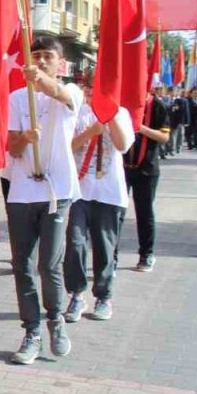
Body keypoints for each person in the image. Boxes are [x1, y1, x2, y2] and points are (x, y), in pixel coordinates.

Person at [5, 37, 82, 365]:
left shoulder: (71, 93)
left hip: (57, 192)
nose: (40, 60)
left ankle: (56, 320)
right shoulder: (17, 98)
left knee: (49, 263)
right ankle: (32, 330)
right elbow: (11, 147)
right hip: (22, 191)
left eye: (47, 56)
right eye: (35, 56)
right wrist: (25, 138)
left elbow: (60, 93)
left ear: (60, 64)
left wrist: (41, 79)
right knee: (22, 264)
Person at [65, 81, 134, 324]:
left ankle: (104, 296)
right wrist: (88, 133)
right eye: (89, 88)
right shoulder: (76, 113)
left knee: (104, 248)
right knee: (75, 243)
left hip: (109, 193)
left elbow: (123, 145)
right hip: (79, 191)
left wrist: (110, 117)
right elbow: (67, 148)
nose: (92, 93)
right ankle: (76, 294)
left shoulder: (121, 113)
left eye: (98, 89)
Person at [124, 90, 170, 273]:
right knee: (116, 214)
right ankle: (111, 255)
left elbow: (164, 136)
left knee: (144, 214)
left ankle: (146, 254)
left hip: (147, 169)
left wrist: (140, 128)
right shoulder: (124, 102)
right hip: (123, 167)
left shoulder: (156, 105)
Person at [166, 86, 187, 156]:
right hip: (168, 121)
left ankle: (173, 149)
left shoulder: (179, 101)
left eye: (173, 92)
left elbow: (182, 112)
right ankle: (169, 149)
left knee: (175, 136)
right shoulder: (166, 99)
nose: (171, 93)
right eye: (170, 92)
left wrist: (181, 122)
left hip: (176, 121)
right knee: (171, 136)